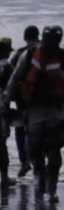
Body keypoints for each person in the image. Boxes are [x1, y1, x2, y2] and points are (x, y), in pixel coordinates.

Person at [4, 25, 64, 203]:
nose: (51, 44)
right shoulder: (29, 55)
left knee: (54, 149)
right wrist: (7, 99)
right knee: (33, 148)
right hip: (33, 109)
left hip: (56, 110)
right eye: (49, 40)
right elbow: (16, 78)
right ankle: (39, 178)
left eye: (55, 40)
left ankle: (51, 189)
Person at [8, 25, 40, 179]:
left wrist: (8, 98)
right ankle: (40, 164)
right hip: (43, 99)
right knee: (40, 130)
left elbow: (12, 77)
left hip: (23, 98)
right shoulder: (48, 52)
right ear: (38, 36)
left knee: (21, 129)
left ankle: (24, 161)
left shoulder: (20, 53)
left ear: (25, 37)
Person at [0, 37, 15, 188]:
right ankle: (4, 177)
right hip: (1, 110)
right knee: (1, 145)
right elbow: (14, 89)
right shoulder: (7, 67)